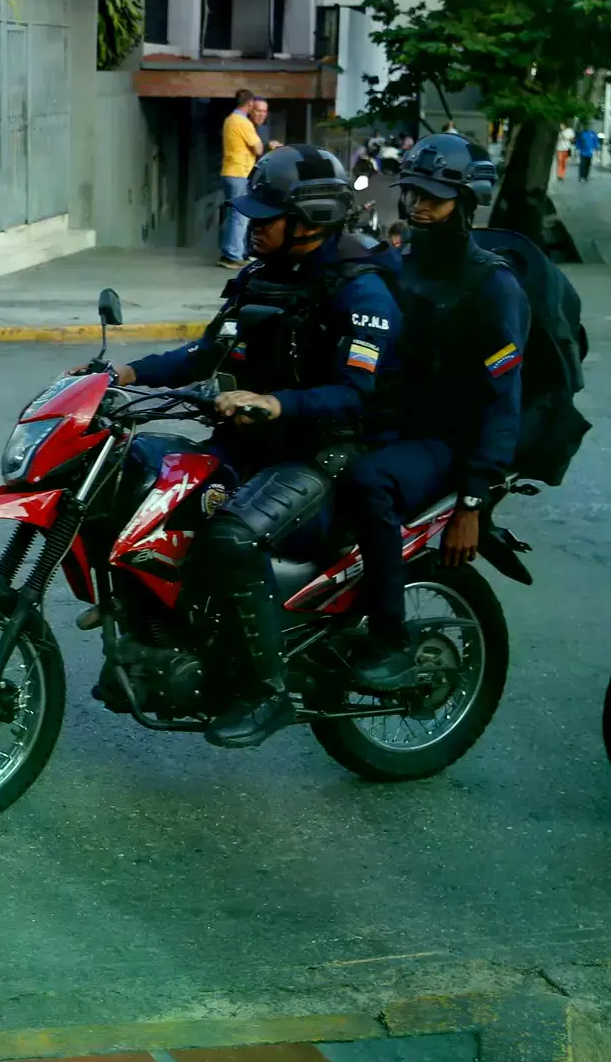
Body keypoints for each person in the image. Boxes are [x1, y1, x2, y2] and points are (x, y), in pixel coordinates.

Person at [103, 147, 400, 747]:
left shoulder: (361, 292)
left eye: (268, 216)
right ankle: (161, 641)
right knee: (136, 483)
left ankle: (266, 692)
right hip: (249, 447)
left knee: (233, 535)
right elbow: (204, 353)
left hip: (321, 459)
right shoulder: (260, 278)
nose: (254, 224)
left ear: (312, 219)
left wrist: (276, 403)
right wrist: (124, 375)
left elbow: (355, 395)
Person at [338, 135, 528, 692]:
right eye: (414, 193)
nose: (420, 205)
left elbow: (502, 403)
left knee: (366, 481)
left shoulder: (493, 287)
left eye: (435, 197)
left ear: (466, 204)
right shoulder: (398, 267)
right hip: (396, 425)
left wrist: (474, 499)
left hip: (450, 441)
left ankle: (391, 639)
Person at [217, 91, 260, 269]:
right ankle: (233, 255)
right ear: (249, 104)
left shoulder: (229, 120)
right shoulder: (243, 122)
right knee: (240, 216)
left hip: (229, 171)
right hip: (239, 172)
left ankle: (229, 253)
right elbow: (258, 148)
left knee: (232, 215)